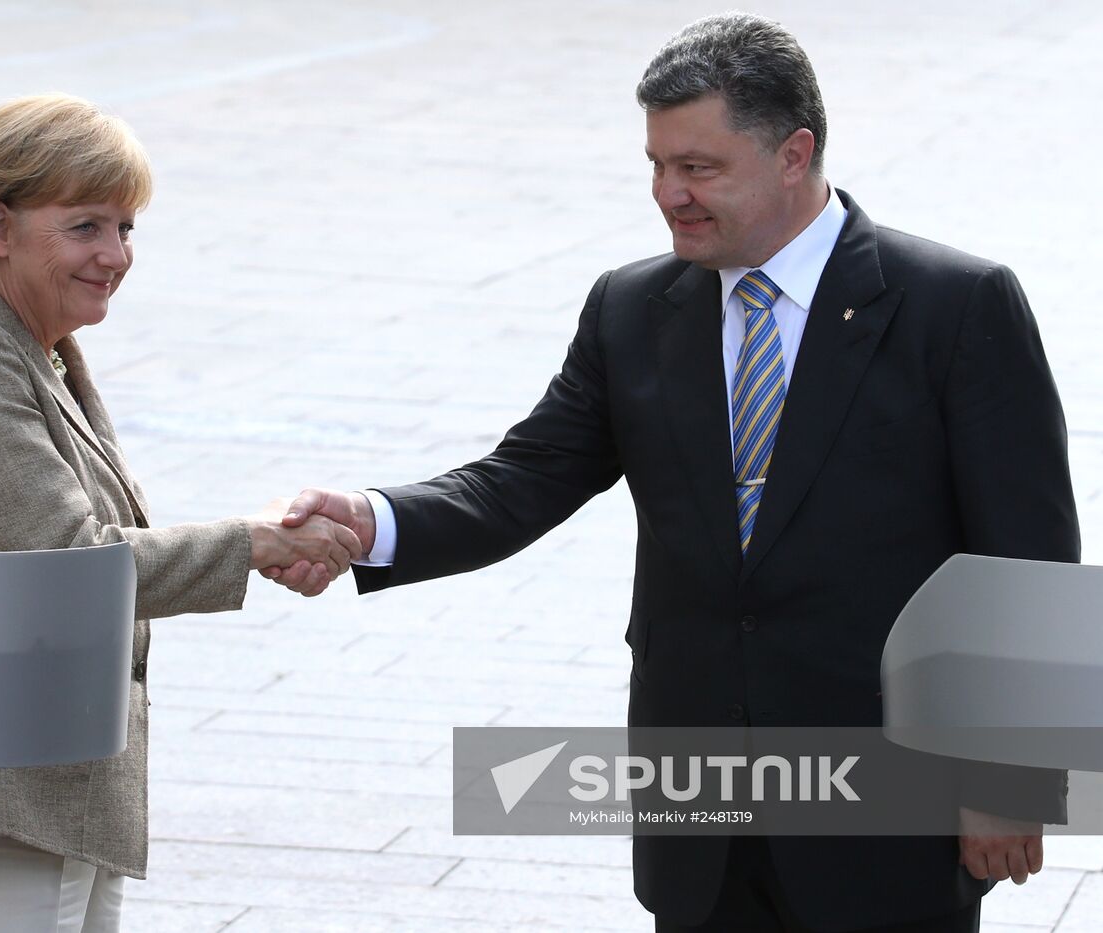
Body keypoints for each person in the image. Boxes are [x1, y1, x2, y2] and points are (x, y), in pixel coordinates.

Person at [262, 13, 1080, 933]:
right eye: (656, 165)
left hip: (889, 804)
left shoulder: (953, 305)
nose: (669, 194)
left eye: (698, 167)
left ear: (793, 154)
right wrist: (372, 519)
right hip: (700, 809)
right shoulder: (632, 308)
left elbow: (1028, 556)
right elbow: (523, 477)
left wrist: (1008, 775)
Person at [0, 93, 360, 932]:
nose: (117, 254)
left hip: (59, 782)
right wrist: (258, 543)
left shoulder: (37, 347)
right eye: (86, 226)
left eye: (126, 227)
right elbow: (73, 556)